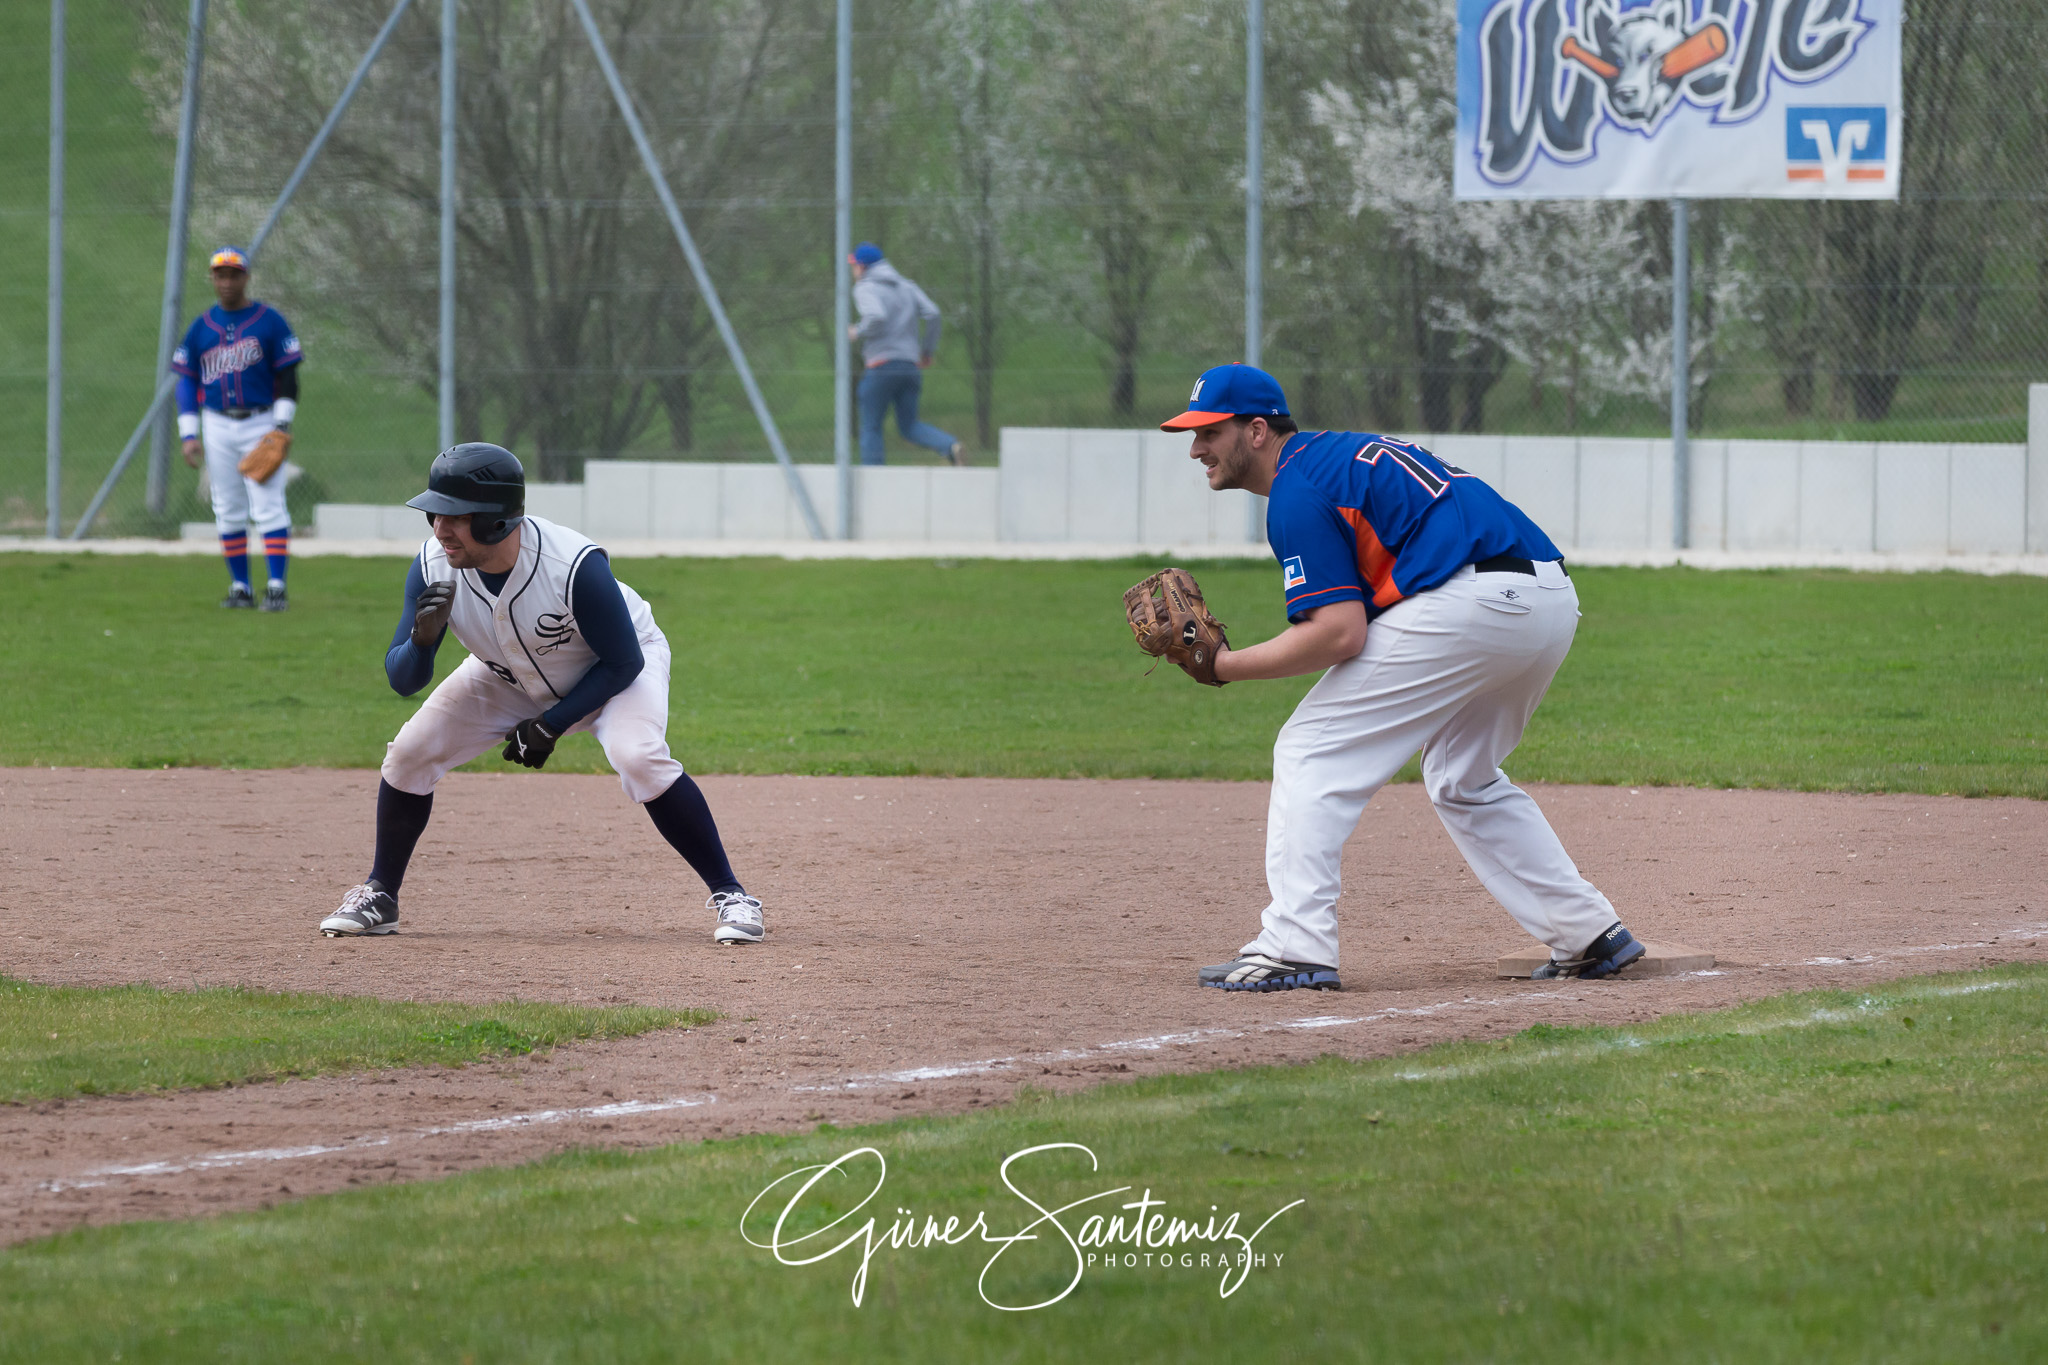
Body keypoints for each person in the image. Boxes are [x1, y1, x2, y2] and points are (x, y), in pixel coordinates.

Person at [1160, 364, 1647, 992]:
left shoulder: (1297, 489)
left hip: (1470, 603)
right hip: (1548, 598)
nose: (1196, 447)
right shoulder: (1337, 458)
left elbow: (1340, 633)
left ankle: (1294, 945)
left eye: (1209, 432)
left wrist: (1224, 665)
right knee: (1462, 776)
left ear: (1257, 432)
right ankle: (1589, 934)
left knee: (1310, 749)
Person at [319, 443, 766, 947]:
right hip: (505, 673)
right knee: (408, 754)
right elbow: (402, 681)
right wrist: (422, 642)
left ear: (495, 521)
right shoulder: (433, 565)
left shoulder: (571, 565)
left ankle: (733, 895)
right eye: (433, 515)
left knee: (637, 756)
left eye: (454, 516)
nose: (439, 529)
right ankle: (380, 892)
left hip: (614, 667)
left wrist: (551, 724)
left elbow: (624, 662)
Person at [172, 246, 303, 611]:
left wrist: (280, 425)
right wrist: (188, 434)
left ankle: (276, 587)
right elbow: (185, 382)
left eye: (233, 274)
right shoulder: (201, 326)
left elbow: (289, 375)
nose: (226, 281)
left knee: (267, 505)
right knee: (227, 507)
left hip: (260, 422)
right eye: (220, 274)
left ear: (245, 277)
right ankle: (240, 588)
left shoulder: (269, 321)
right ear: (213, 278)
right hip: (216, 423)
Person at [848, 242, 964, 467]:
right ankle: (950, 446)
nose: (853, 272)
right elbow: (933, 314)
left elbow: (876, 316)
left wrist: (856, 331)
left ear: (862, 268)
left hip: (881, 366)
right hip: (910, 366)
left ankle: (875, 478)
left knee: (871, 426)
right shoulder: (906, 286)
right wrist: (927, 351)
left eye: (854, 267)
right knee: (909, 425)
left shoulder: (865, 287)